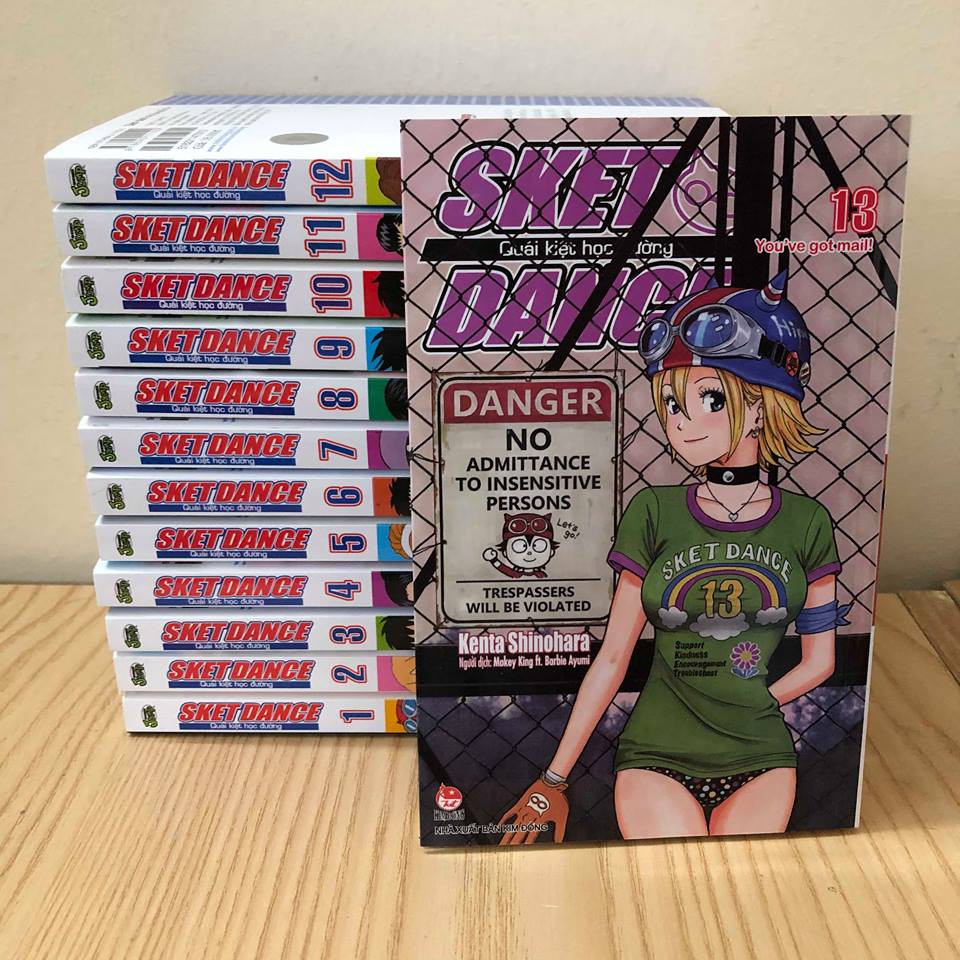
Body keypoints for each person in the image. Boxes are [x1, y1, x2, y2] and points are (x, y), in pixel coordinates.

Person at [498, 270, 849, 844]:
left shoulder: (806, 522)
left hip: (761, 755)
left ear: (761, 407)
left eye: (709, 398)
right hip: (655, 754)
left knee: (746, 882)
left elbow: (820, 663)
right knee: (668, 876)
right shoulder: (654, 512)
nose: (681, 421)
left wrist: (753, 701)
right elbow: (613, 657)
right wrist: (553, 779)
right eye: (670, 403)